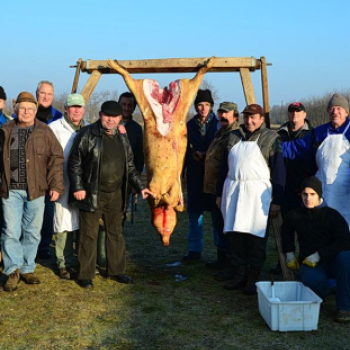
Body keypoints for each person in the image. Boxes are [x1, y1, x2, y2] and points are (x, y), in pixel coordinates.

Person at [68, 100, 153, 289]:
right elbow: (74, 163)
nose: (110, 120)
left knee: (115, 233)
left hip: (116, 194)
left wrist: (140, 186)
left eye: (114, 117)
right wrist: (78, 187)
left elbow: (130, 166)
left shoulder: (123, 138)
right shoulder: (87, 134)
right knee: (88, 235)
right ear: (100, 114)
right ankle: (85, 275)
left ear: (120, 118)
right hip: (92, 193)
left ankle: (116, 271)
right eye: (107, 116)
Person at [217, 103, 286, 295]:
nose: (249, 120)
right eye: (247, 116)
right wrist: (219, 193)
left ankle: (254, 275)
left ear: (262, 119)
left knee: (255, 236)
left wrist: (277, 200)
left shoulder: (272, 138)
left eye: (254, 117)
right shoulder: (233, 137)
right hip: (234, 190)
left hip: (258, 194)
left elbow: (279, 171)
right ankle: (239, 273)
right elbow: (223, 168)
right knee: (234, 233)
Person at [0, 92, 64, 291]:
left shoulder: (44, 131)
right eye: (22, 108)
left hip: (36, 190)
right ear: (16, 109)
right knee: (11, 231)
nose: (26, 112)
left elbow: (56, 159)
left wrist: (55, 185)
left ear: (35, 111)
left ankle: (27, 268)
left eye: (30, 109)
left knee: (33, 232)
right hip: (11, 190)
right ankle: (12, 270)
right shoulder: (4, 130)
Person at [282, 176, 350, 323]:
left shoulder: (332, 216)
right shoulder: (295, 215)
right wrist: (290, 253)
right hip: (310, 263)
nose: (308, 198)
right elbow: (286, 232)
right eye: (305, 194)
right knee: (313, 281)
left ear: (319, 195)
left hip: (334, 261)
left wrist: (320, 255)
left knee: (346, 259)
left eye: (312, 194)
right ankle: (327, 288)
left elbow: (344, 242)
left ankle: (344, 307)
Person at [283, 94, 350, 228]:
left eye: (339, 108)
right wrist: (273, 147)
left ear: (346, 112)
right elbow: (296, 148)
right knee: (321, 226)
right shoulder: (319, 132)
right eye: (331, 108)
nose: (334, 112)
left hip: (345, 191)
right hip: (321, 189)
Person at [270, 102, 314, 274]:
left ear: (304, 114)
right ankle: (283, 262)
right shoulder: (279, 135)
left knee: (306, 230)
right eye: (291, 112)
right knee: (285, 229)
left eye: (298, 111)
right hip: (285, 188)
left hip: (306, 191)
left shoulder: (312, 135)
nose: (294, 114)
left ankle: (305, 262)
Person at [49, 93, 86, 279]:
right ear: (66, 108)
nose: (77, 110)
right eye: (73, 107)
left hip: (81, 184)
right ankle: (62, 262)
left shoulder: (87, 129)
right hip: (62, 181)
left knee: (79, 222)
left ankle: (79, 260)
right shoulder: (54, 128)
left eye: (80, 107)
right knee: (62, 223)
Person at [183, 89, 220, 261]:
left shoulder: (219, 125)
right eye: (200, 105)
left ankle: (221, 251)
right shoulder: (189, 125)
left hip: (214, 177)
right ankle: (194, 250)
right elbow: (183, 150)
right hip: (195, 175)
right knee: (194, 216)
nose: (203, 108)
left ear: (211, 106)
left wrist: (207, 154)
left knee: (217, 216)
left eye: (206, 105)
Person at [203, 102, 240, 269]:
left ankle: (229, 262)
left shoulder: (235, 134)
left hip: (224, 188)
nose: (223, 116)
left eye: (226, 113)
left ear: (235, 115)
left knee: (225, 225)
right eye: (220, 112)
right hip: (213, 187)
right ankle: (221, 259)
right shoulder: (220, 132)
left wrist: (220, 192)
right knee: (217, 224)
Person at [34, 81, 63, 259]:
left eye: (49, 94)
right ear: (37, 93)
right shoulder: (27, 114)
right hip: (31, 172)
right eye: (42, 93)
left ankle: (43, 246)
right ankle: (28, 245)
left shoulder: (58, 117)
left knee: (48, 212)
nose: (45, 97)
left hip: (49, 173)